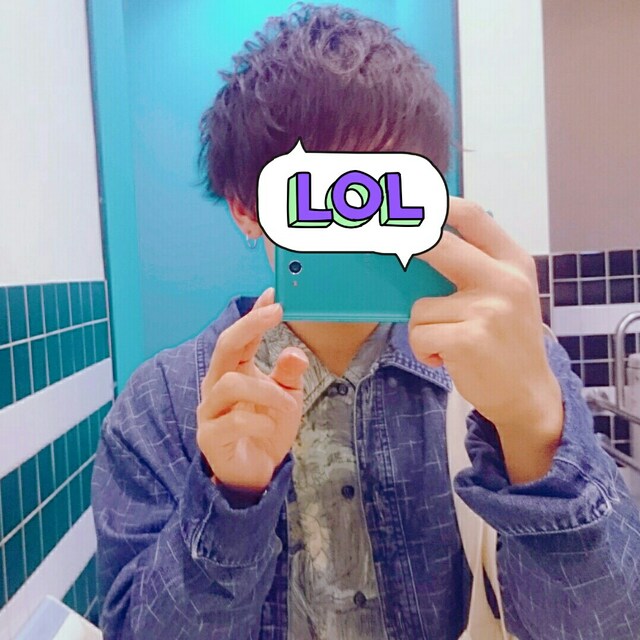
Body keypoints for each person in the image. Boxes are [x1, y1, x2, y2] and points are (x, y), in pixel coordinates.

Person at [91, 4, 640, 639]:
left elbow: (611, 627)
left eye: (383, 186)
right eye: (319, 190)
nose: (356, 224)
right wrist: (229, 498)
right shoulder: (161, 406)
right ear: (246, 208)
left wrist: (533, 430)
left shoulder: (507, 366)